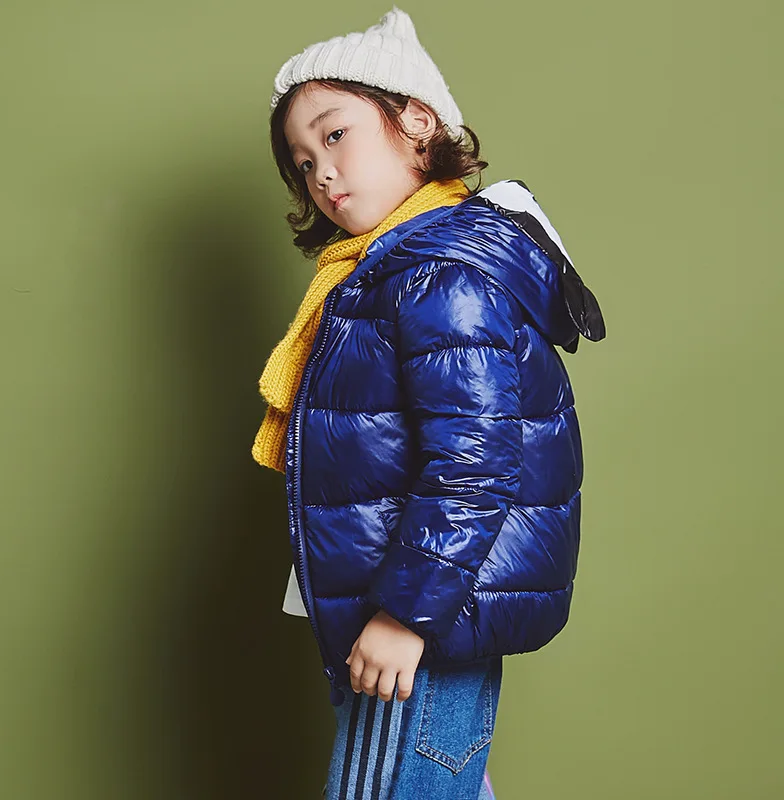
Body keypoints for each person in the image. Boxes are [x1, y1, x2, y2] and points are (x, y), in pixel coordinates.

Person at [251, 6, 606, 799]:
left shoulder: (439, 273)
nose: (321, 174)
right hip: (411, 606)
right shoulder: (387, 270)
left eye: (335, 135)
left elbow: (475, 463)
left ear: (417, 122)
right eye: (303, 163)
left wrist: (405, 615)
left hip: (422, 615)